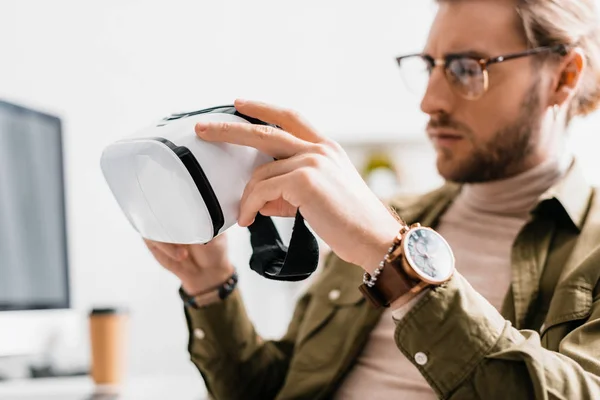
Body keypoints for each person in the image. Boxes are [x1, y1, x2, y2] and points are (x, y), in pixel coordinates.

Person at [144, 0, 600, 398]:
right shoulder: (391, 219)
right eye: (430, 65)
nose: (430, 100)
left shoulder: (380, 231)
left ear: (564, 76)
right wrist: (210, 285)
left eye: (467, 68)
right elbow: (273, 388)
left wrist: (398, 262)